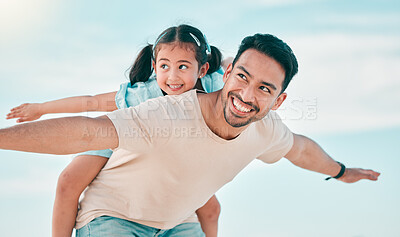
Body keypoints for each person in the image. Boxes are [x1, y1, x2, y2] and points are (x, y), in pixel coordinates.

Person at [0, 33, 380, 237]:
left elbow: (300, 150)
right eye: (243, 77)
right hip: (112, 217)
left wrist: (342, 170)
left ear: (278, 101)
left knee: (208, 210)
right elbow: (87, 130)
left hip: (177, 223)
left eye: (264, 89)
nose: (247, 96)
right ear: (228, 71)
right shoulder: (165, 111)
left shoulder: (266, 129)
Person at [6, 24, 228, 237]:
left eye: (182, 66)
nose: (172, 77)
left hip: (169, 157)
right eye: (164, 66)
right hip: (120, 133)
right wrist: (41, 108)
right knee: (68, 180)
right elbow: (92, 102)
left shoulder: (215, 86)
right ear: (154, 65)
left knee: (211, 208)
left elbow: (240, 65)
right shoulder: (145, 94)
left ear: (202, 69)